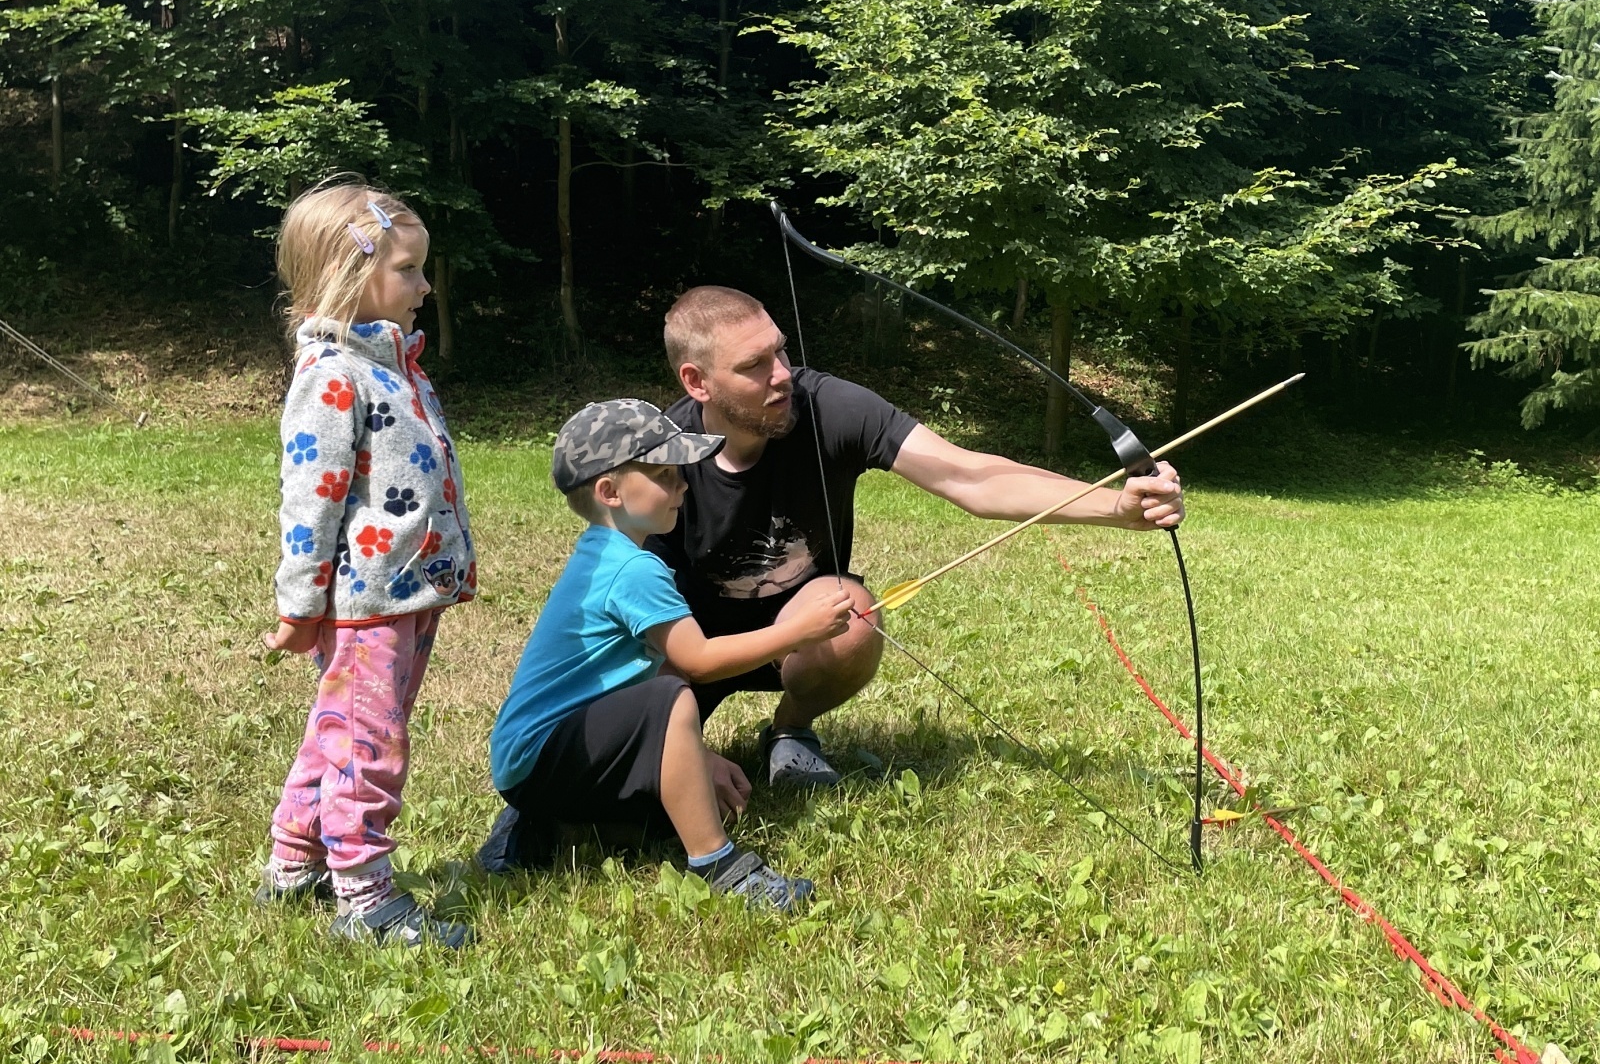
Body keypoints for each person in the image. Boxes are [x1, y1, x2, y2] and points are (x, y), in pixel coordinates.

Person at [647, 285, 1186, 786]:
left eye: (780, 350)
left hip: (807, 628)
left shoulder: (828, 406)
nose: (782, 374)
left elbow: (967, 476)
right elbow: (626, 618)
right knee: (639, 787)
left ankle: (790, 730)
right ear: (698, 382)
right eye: (754, 365)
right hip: (689, 645)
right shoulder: (658, 459)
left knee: (854, 618)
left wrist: (1115, 507)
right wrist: (687, 752)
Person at [480, 399, 853, 908]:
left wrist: (698, 759)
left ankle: (543, 827)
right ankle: (720, 867)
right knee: (672, 696)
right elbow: (697, 661)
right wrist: (797, 632)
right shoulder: (633, 569)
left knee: (674, 807)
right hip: (542, 756)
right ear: (610, 492)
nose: (682, 486)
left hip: (532, 759)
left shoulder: (602, 553)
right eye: (664, 475)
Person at [257, 179, 476, 949]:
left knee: (342, 727)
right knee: (366, 743)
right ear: (350, 277)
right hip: (366, 601)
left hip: (408, 590)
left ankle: (294, 861)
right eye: (408, 270)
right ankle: (364, 898)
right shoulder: (332, 375)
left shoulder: (393, 365)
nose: (425, 286)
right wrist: (299, 605)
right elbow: (310, 502)